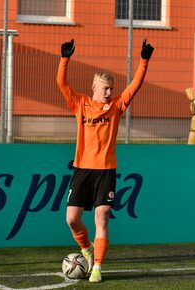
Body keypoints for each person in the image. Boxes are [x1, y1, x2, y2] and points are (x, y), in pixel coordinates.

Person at [57, 39, 154, 282]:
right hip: (82, 169)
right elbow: (62, 83)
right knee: (72, 219)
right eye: (105, 88)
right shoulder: (80, 103)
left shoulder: (116, 106)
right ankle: (86, 250)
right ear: (93, 87)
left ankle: (98, 267)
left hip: (106, 171)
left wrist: (144, 61)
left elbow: (135, 86)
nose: (109, 92)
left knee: (102, 216)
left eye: (111, 88)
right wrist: (64, 59)